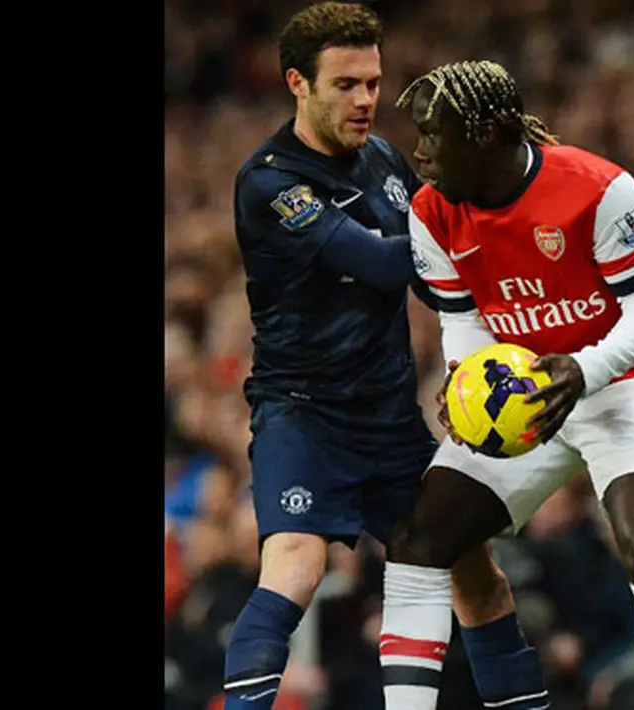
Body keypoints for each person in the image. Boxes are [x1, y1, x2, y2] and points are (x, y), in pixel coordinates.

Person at [224, 6, 549, 709]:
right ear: (296, 84)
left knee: (475, 571)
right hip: (304, 418)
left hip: (389, 421)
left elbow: (435, 278)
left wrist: (484, 348)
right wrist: (486, 230)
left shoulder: (383, 162)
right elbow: (378, 262)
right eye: (345, 84)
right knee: (295, 566)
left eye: (372, 82)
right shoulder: (271, 184)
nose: (366, 99)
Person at [379, 59, 634, 710]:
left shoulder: (598, 188)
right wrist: (466, 376)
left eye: (432, 135)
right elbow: (463, 315)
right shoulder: (430, 210)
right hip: (520, 395)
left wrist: (584, 368)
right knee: (416, 543)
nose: (417, 152)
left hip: (618, 382)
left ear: (488, 135)